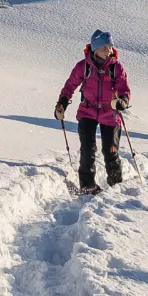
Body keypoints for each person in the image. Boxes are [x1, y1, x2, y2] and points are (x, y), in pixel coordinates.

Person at [56, 29, 132, 192]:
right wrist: (62, 103)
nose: (108, 50)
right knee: (87, 150)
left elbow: (124, 89)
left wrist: (123, 101)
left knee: (110, 151)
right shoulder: (83, 66)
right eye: (104, 47)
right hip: (87, 111)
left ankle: (115, 185)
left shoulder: (116, 67)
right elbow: (70, 85)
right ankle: (87, 186)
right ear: (95, 48)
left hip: (110, 112)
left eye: (110, 47)